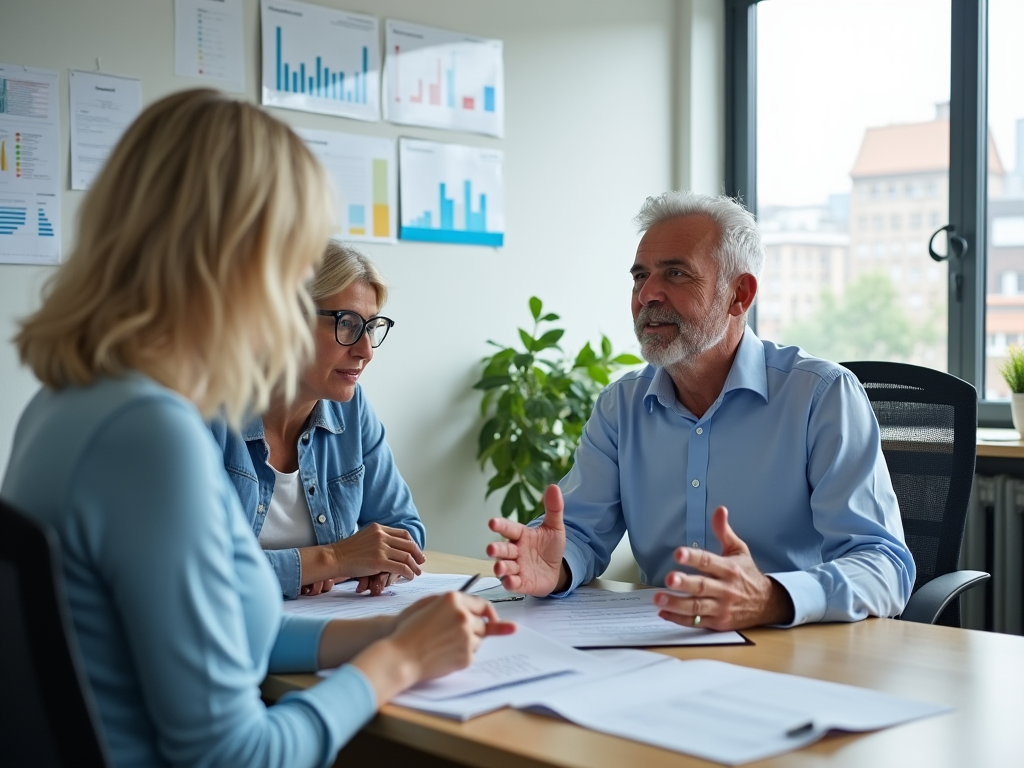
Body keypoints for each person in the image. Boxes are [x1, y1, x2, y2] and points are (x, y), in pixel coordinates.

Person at [0, 88, 513, 767]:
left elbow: (230, 632)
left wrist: (387, 631)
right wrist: (394, 664)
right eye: (294, 262)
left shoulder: (68, 403)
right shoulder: (151, 436)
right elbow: (238, 756)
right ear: (236, 260)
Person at [486, 190, 915, 631]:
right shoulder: (622, 405)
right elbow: (576, 533)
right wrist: (554, 567)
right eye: (640, 276)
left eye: (675, 274)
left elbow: (884, 568)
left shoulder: (821, 397)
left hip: (792, 650)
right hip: (661, 645)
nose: (648, 294)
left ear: (739, 295)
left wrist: (772, 598)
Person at [210, 242, 425, 599]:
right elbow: (199, 569)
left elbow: (404, 528)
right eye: (348, 324)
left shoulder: (351, 409)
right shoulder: (210, 412)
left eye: (371, 327)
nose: (365, 351)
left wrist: (379, 564)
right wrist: (332, 559)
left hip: (324, 625)